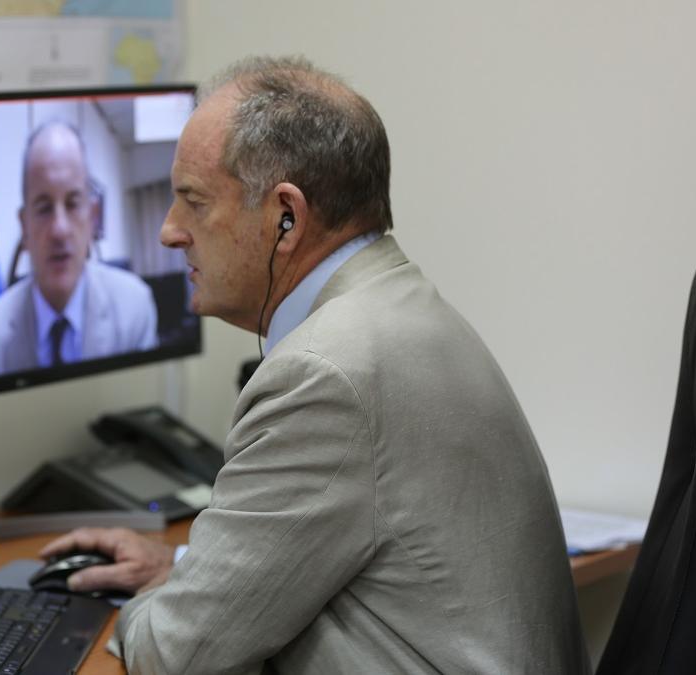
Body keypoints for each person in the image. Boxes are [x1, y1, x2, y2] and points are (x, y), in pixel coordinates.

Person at [39, 56, 589, 674]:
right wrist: (187, 571)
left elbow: (176, 655)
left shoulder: (324, 374)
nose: (169, 232)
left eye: (192, 202)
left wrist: (137, 601)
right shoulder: (399, 310)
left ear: (286, 218)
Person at [0, 121, 158, 379]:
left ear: (92, 217)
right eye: (43, 208)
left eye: (73, 203)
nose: (60, 230)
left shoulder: (134, 308)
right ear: (24, 226)